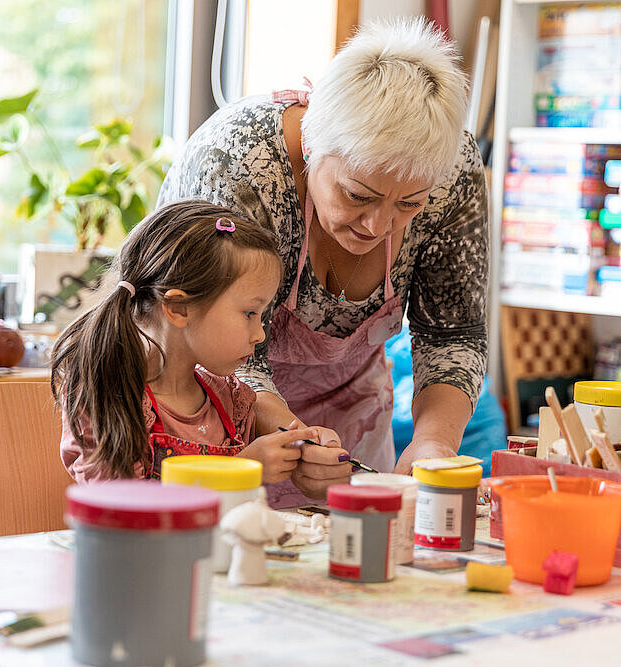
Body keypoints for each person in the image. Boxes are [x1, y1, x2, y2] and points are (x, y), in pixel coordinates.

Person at [157, 18, 489, 508]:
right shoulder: (237, 162)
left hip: (352, 399)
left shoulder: (450, 170)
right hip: (212, 398)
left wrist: (434, 443)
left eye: (408, 205)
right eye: (358, 195)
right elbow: (214, 338)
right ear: (312, 145)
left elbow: (453, 334)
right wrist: (294, 435)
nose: (378, 226)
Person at [52, 201, 350, 483]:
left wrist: (304, 452)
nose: (260, 334)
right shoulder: (110, 396)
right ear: (179, 308)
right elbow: (119, 509)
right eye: (249, 313)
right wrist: (237, 471)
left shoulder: (231, 402)